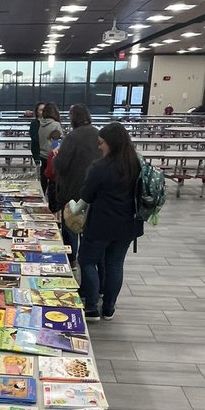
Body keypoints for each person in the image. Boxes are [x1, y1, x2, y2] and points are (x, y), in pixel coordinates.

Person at [77, 123, 143, 322]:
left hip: (101, 224)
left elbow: (86, 195)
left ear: (111, 143)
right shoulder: (137, 164)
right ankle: (109, 308)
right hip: (128, 224)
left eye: (101, 143)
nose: (99, 147)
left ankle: (91, 308)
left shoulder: (100, 167)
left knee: (87, 261)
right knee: (115, 264)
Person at [53, 104, 100, 264]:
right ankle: (88, 260)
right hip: (94, 190)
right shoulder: (98, 134)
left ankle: (71, 260)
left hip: (72, 188)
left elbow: (61, 165)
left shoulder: (72, 137)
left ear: (73, 118)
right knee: (89, 227)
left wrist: (56, 156)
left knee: (71, 225)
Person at [29, 101, 45, 184]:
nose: (43, 112)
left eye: (44, 110)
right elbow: (34, 138)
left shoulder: (50, 123)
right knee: (40, 173)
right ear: (37, 112)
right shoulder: (34, 123)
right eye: (41, 110)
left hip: (47, 152)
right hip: (37, 151)